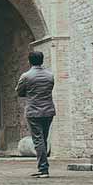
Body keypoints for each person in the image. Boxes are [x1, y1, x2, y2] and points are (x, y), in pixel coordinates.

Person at [16, 50, 56, 178]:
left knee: (38, 140)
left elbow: (19, 92)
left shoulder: (26, 76)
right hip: (48, 110)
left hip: (33, 111)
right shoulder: (50, 75)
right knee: (43, 139)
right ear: (42, 60)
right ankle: (43, 167)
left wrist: (30, 93)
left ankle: (43, 169)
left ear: (29, 61)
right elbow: (49, 89)